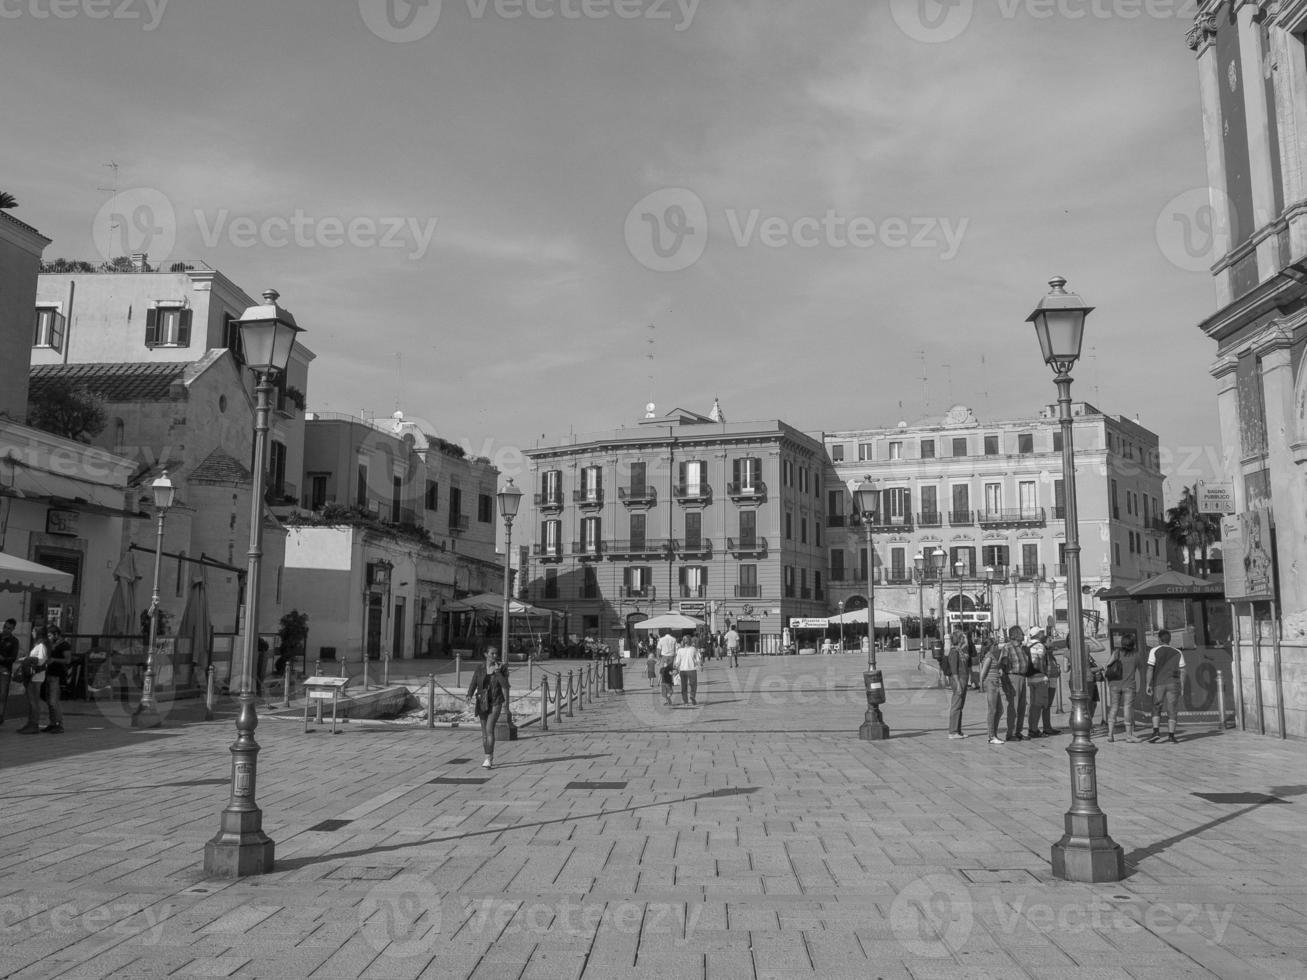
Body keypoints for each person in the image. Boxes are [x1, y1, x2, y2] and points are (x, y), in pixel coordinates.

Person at [466, 648, 509, 768]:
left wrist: (498, 672)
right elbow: (474, 682)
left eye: (496, 653)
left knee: (490, 729)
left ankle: (488, 758)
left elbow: (506, 685)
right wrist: (469, 695)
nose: (495, 655)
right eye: (492, 653)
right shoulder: (480, 668)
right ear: (486, 654)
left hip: (496, 702)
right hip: (482, 701)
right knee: (484, 732)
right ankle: (487, 756)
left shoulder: (502, 667)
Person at [1145, 628, 1186, 744]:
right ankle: (1171, 735)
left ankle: (1156, 732)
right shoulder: (1178, 652)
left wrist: (1148, 684)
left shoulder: (1154, 651)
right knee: (1172, 708)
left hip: (1159, 683)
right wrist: (1182, 686)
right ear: (1170, 640)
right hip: (1173, 684)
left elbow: (1150, 668)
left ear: (1159, 639)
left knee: (1156, 706)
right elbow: (1183, 671)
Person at [1105, 632, 1142, 743]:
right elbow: (1139, 667)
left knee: (1114, 708)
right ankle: (1129, 736)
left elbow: (1108, 664)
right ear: (1133, 644)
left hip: (1114, 684)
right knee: (1127, 708)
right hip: (1129, 685)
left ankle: (1110, 734)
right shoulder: (1136, 655)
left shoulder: (1117, 652)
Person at [977, 633, 1008, 744]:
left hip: (995, 683)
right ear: (991, 646)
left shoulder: (993, 656)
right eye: (995, 644)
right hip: (991, 684)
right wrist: (981, 686)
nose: (997, 646)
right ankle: (991, 735)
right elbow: (983, 672)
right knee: (993, 710)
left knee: (999, 710)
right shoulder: (989, 657)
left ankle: (994, 733)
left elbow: (996, 666)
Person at [17, 626, 50, 734]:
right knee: (32, 702)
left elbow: (40, 660)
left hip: (36, 677)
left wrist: (27, 659)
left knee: (34, 702)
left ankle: (34, 724)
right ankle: (30, 723)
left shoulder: (41, 646)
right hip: (33, 677)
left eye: (33, 631)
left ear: (38, 633)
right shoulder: (38, 645)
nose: (32, 632)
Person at [1003, 626, 1030, 742]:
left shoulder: (1022, 648)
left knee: (1022, 706)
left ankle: (1018, 731)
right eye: (1021, 633)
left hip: (1022, 677)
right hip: (1013, 677)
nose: (1023, 635)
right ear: (1015, 634)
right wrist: (1006, 683)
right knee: (1013, 706)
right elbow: (1004, 665)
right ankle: (1011, 733)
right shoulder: (1007, 647)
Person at [943, 626, 971, 739]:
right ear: (959, 639)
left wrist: (965, 640)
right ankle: (953, 731)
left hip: (963, 679)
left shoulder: (960, 651)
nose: (965, 639)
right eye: (963, 637)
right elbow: (954, 670)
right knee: (956, 705)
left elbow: (967, 647)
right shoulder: (954, 652)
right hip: (958, 680)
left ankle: (958, 730)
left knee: (960, 706)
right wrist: (958, 684)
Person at [1024, 628, 1049, 739]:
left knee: (1033, 705)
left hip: (1030, 678)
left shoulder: (1027, 645)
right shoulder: (1039, 646)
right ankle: (1034, 730)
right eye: (1042, 632)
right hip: (1039, 678)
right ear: (1038, 634)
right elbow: (1039, 661)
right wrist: (1045, 674)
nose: (1043, 634)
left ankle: (1031, 728)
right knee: (1038, 705)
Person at [0, 618, 19, 725]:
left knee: (2, 694)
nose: (6, 630)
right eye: (5, 627)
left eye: (9, 628)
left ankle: (0, 716)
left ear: (13, 629)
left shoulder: (14, 641)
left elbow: (13, 657)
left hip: (4, 670)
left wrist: (3, 659)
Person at [674, 632, 701, 706]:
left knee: (684, 686)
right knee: (693, 685)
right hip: (692, 669)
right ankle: (692, 696)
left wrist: (675, 669)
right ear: (690, 641)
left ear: (683, 641)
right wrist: (700, 666)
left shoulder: (679, 650)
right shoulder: (693, 649)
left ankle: (685, 701)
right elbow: (698, 659)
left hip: (683, 670)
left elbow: (677, 662)